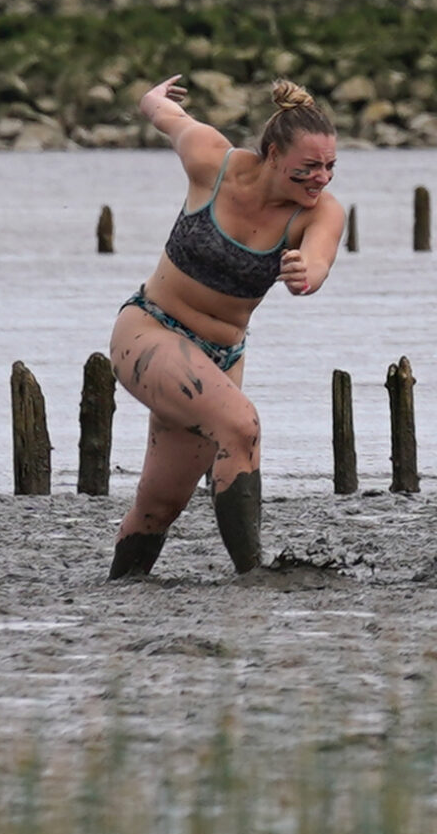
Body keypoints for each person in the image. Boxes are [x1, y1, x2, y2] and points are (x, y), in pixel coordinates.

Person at [108, 78, 346, 579]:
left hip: (221, 360)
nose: (320, 178)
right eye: (309, 167)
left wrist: (309, 273)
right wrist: (153, 98)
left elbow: (320, 259)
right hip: (150, 332)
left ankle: (122, 585)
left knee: (160, 505)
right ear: (274, 155)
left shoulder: (319, 212)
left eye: (329, 167)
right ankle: (251, 574)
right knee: (241, 425)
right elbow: (169, 120)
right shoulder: (211, 161)